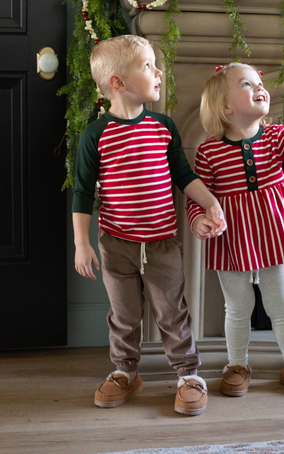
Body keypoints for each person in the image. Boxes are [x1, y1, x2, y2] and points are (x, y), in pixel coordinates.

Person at [72, 35, 226, 416]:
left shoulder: (163, 127)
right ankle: (125, 372)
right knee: (123, 314)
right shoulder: (96, 135)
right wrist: (82, 244)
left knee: (172, 311)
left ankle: (189, 375)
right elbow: (82, 193)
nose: (159, 72)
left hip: (161, 243)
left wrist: (211, 202)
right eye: (147, 66)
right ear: (118, 83)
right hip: (116, 243)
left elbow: (183, 175)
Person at [186, 62, 284, 398]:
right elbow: (197, 196)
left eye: (258, 83)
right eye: (247, 85)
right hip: (232, 241)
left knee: (282, 304)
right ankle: (237, 364)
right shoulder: (209, 152)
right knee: (237, 308)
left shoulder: (276, 137)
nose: (259, 88)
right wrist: (199, 220)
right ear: (226, 108)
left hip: (273, 238)